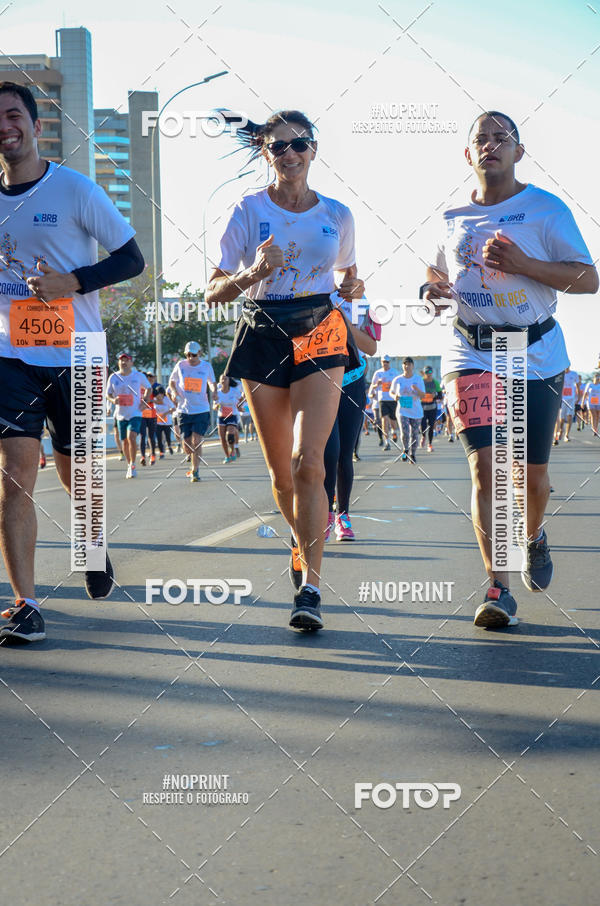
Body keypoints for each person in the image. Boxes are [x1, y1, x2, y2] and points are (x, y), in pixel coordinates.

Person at [423, 110, 598, 629]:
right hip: (471, 351)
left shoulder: (545, 209)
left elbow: (587, 279)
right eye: (481, 138)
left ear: (519, 152)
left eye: (503, 138)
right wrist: (430, 292)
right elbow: (435, 273)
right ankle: (498, 585)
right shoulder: (452, 214)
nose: (491, 145)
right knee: (487, 469)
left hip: (534, 351)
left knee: (532, 477)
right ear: (468, 153)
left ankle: (534, 534)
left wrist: (524, 265)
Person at [206, 109, 365, 630]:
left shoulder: (337, 214)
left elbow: (348, 275)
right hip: (263, 329)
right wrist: (255, 270)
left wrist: (352, 290)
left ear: (314, 150)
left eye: (300, 144)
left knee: (309, 463)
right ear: (265, 153)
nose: (291, 154)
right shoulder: (247, 210)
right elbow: (212, 293)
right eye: (279, 147)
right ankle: (300, 546)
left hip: (321, 329)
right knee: (281, 475)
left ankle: (311, 589)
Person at [0, 82, 144, 642]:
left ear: (36, 127)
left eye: (14, 115)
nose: (5, 126)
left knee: (76, 470)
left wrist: (72, 282)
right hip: (11, 354)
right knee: (13, 478)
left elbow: (132, 259)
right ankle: (26, 604)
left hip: (79, 352)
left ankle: (93, 544)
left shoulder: (76, 190)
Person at [323, 293, 378, 541]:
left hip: (352, 382)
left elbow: (371, 346)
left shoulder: (362, 301)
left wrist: (341, 317)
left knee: (344, 454)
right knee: (327, 452)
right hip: (319, 381)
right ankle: (324, 515)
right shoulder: (309, 289)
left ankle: (342, 515)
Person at [169, 341, 216, 482]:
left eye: (194, 355)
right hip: (184, 410)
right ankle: (191, 457)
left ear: (199, 353)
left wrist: (214, 392)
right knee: (187, 444)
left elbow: (211, 382)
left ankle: (195, 471)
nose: (191, 358)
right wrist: (173, 391)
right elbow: (172, 381)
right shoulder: (180, 365)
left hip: (201, 409)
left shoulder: (206, 366)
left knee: (197, 441)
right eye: (188, 355)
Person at [106, 354, 152, 478]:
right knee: (125, 441)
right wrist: (112, 400)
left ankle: (133, 465)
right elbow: (107, 394)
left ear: (131, 363)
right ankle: (128, 464)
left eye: (127, 360)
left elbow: (149, 388)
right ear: (118, 363)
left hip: (135, 412)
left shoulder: (138, 376)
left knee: (131, 437)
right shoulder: (114, 377)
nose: (124, 363)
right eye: (122, 361)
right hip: (121, 414)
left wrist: (145, 401)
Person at [391, 357, 425, 463]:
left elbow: (423, 395)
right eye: (405, 364)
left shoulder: (418, 379)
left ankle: (412, 454)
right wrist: (394, 396)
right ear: (402, 366)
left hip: (416, 411)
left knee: (414, 434)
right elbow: (391, 392)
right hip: (402, 410)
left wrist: (417, 389)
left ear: (413, 366)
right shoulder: (397, 379)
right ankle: (405, 449)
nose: (407, 366)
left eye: (409, 364)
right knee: (405, 433)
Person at [369, 355, 399, 450]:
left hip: (392, 399)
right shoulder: (378, 373)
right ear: (381, 362)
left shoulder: (394, 372)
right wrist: (376, 384)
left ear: (389, 363)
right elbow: (372, 386)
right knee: (384, 420)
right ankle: (387, 442)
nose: (385, 363)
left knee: (393, 421)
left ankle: (394, 432)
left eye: (387, 362)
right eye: (383, 362)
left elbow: (399, 384)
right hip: (382, 400)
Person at [215, 375, 243, 462]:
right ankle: (227, 456)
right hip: (221, 417)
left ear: (229, 380)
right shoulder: (218, 393)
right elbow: (214, 405)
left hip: (232, 415)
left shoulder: (234, 391)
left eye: (225, 378)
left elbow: (241, 399)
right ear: (220, 381)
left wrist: (239, 407)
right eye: (222, 379)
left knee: (230, 435)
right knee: (222, 438)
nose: (223, 380)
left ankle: (233, 450)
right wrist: (216, 406)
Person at [553, 367, 580, 444]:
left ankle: (567, 435)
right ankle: (561, 430)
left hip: (571, 399)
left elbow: (578, 385)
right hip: (562, 399)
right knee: (561, 418)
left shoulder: (574, 374)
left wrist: (578, 398)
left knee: (569, 416)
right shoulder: (560, 374)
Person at [420, 365, 442, 452]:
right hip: (422, 407)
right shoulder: (421, 381)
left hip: (432, 407)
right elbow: (416, 393)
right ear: (424, 373)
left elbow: (440, 395)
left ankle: (430, 444)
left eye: (430, 372)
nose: (428, 374)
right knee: (423, 425)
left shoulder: (435, 382)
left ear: (432, 373)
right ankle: (423, 436)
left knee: (431, 425)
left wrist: (435, 396)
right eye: (426, 372)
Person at [139, 372, 158, 465]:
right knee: (142, 436)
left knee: (151, 436)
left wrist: (150, 400)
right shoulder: (136, 388)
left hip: (152, 415)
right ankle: (142, 456)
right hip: (141, 415)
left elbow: (160, 400)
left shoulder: (152, 389)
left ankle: (153, 454)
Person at [153, 385, 175, 457]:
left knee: (167, 436)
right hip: (158, 422)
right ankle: (161, 452)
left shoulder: (166, 399)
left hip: (167, 422)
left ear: (163, 393)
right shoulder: (154, 400)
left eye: (160, 393)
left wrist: (165, 413)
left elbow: (173, 408)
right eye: (157, 394)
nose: (159, 395)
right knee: (159, 438)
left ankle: (169, 446)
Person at [582, 372, 600, 437]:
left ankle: (596, 428)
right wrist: (582, 402)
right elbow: (585, 394)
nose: (597, 379)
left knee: (598, 416)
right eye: (596, 378)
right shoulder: (589, 385)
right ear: (593, 379)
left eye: (598, 378)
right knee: (593, 415)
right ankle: (594, 430)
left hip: (598, 403)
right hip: (590, 402)